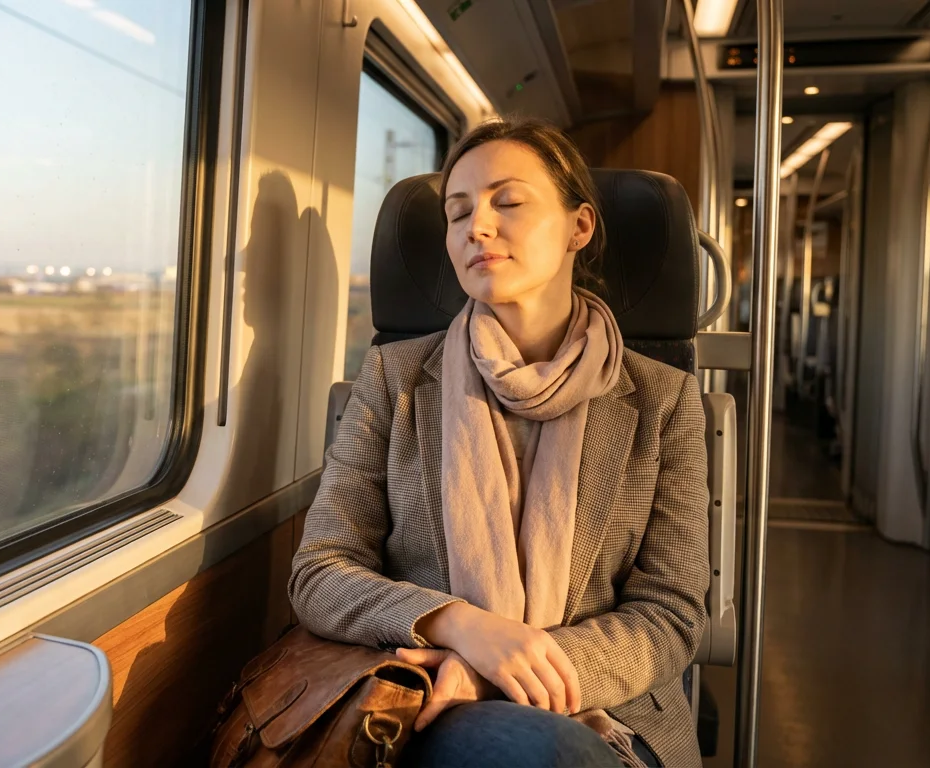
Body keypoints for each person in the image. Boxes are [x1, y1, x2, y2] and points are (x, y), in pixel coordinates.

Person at [288, 115, 709, 767]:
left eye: (508, 202)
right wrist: (458, 625)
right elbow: (320, 571)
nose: (476, 227)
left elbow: (671, 612)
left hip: (605, 706)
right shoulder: (395, 380)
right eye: (458, 214)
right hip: (424, 700)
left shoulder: (662, 401)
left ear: (580, 226)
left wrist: (499, 671)